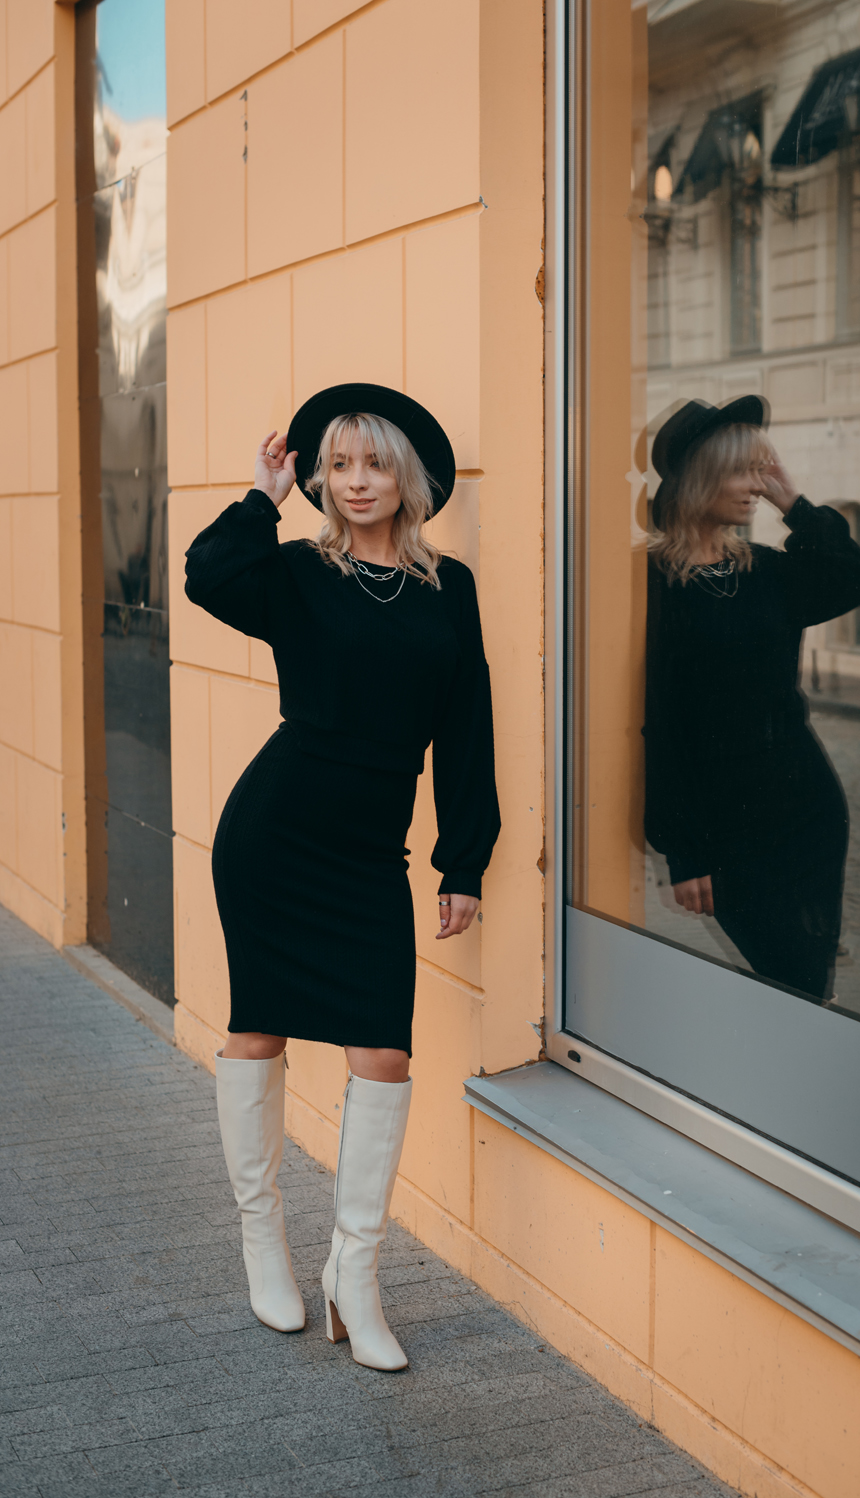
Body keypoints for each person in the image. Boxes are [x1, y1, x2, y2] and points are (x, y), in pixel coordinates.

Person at [185, 383, 501, 1371]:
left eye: (372, 463)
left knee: (384, 1055)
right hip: (275, 832)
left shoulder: (450, 586)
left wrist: (464, 856)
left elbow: (466, 728)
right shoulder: (293, 572)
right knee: (258, 1028)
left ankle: (351, 1275)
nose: (354, 481)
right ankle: (262, 1243)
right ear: (318, 476)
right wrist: (258, 497)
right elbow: (205, 574)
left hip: (371, 852)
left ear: (406, 476)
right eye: (336, 464)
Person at [643, 396, 860, 1002]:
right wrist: (686, 851)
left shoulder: (769, 571)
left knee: (807, 979)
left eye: (761, 470)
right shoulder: (650, 583)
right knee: (785, 972)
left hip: (806, 806)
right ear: (698, 480)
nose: (756, 485)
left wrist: (794, 504)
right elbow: (663, 722)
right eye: (743, 471)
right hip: (726, 821)